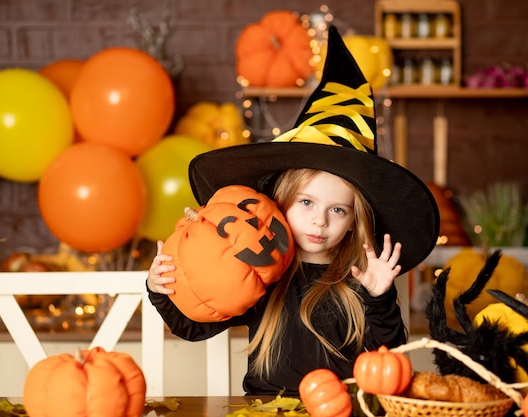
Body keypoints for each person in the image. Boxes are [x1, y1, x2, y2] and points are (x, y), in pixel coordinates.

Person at [147, 26, 439, 396]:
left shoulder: (360, 283)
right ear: (281, 202)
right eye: (306, 203)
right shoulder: (256, 270)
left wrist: (381, 299)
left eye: (338, 210)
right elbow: (192, 328)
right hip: (266, 407)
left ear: (353, 223)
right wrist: (159, 289)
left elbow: (392, 360)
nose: (320, 220)